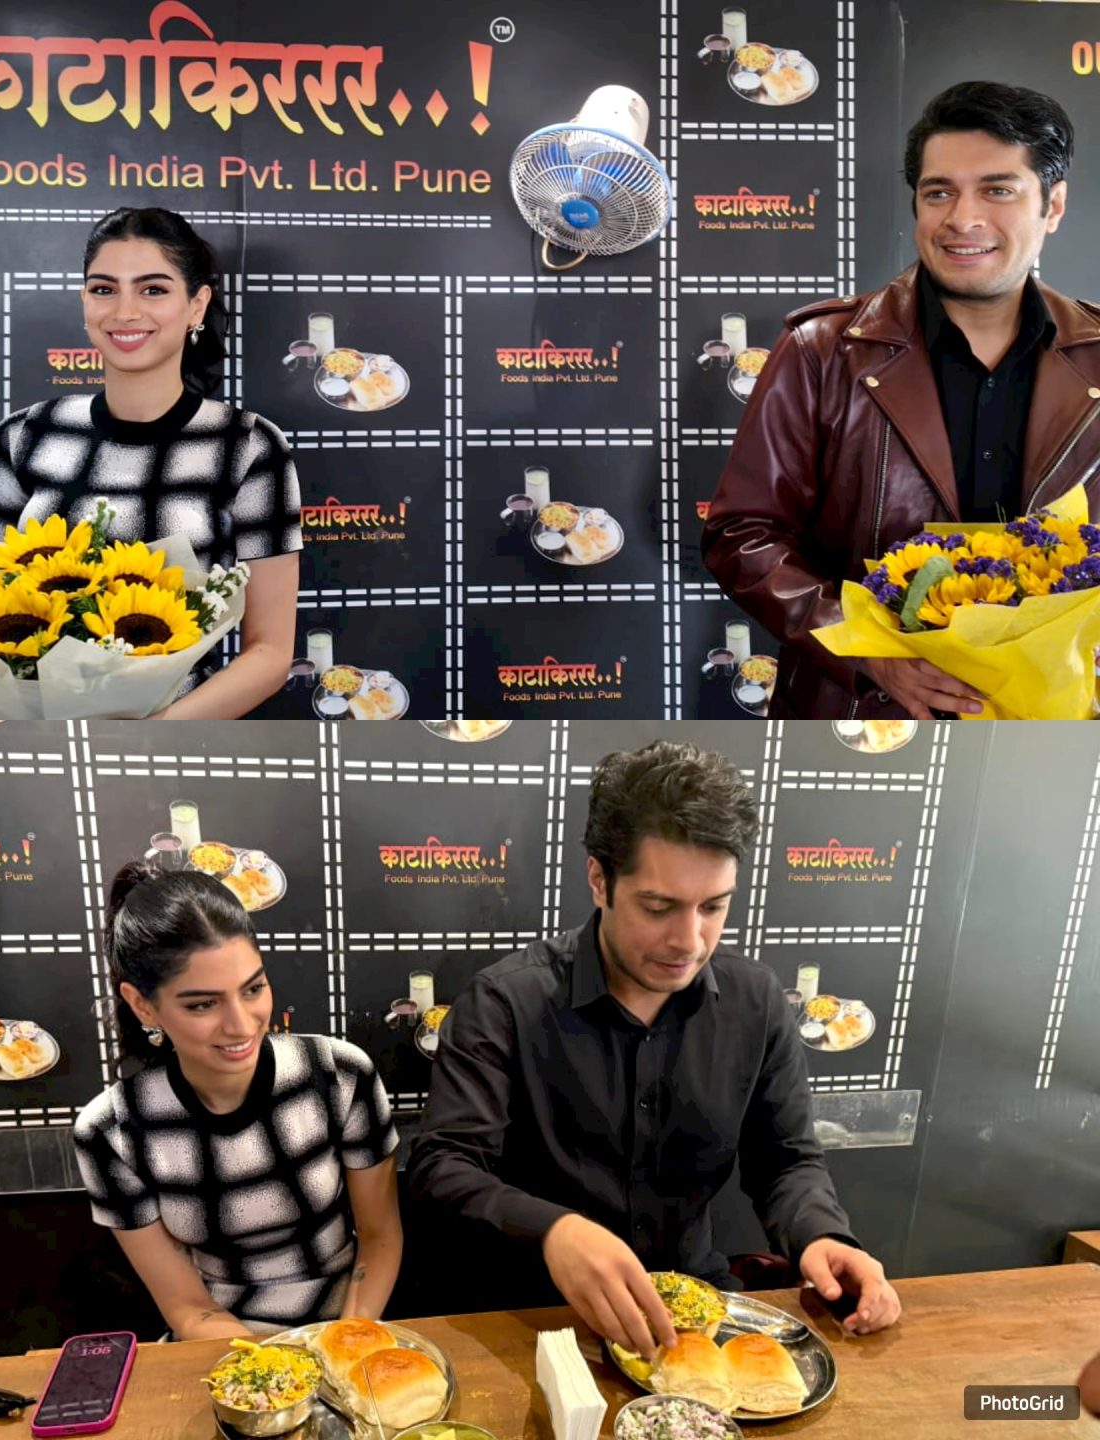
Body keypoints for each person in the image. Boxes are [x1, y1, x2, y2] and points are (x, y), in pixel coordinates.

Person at [405, 742, 902, 1365]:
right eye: (659, 907)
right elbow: (441, 1169)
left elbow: (786, 1160)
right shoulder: (505, 1002)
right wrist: (554, 1229)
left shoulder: (756, 1003)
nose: (689, 941)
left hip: (693, 1321)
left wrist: (822, 1236)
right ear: (599, 880)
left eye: (714, 907)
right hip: (537, 1321)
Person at [707, 81, 1098, 719]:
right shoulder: (822, 349)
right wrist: (866, 649)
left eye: (998, 190)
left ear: (1052, 205)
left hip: (1059, 720)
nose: (962, 219)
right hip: (866, 714)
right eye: (938, 191)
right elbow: (742, 535)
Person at [0, 206, 301, 718]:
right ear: (84, 302)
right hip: (37, 737)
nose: (124, 312)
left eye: (153, 289)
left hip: (182, 740)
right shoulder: (24, 436)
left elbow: (271, 652)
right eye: (104, 289)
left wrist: (154, 734)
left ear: (197, 305)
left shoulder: (249, 446)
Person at [72, 863, 402, 1337]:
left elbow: (380, 1239)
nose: (242, 1025)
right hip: (221, 1348)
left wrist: (341, 1347)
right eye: (202, 1004)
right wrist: (276, 1378)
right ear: (142, 1004)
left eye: (253, 989)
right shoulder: (112, 1132)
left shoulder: (339, 1074)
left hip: (348, 1324)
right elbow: (187, 1307)